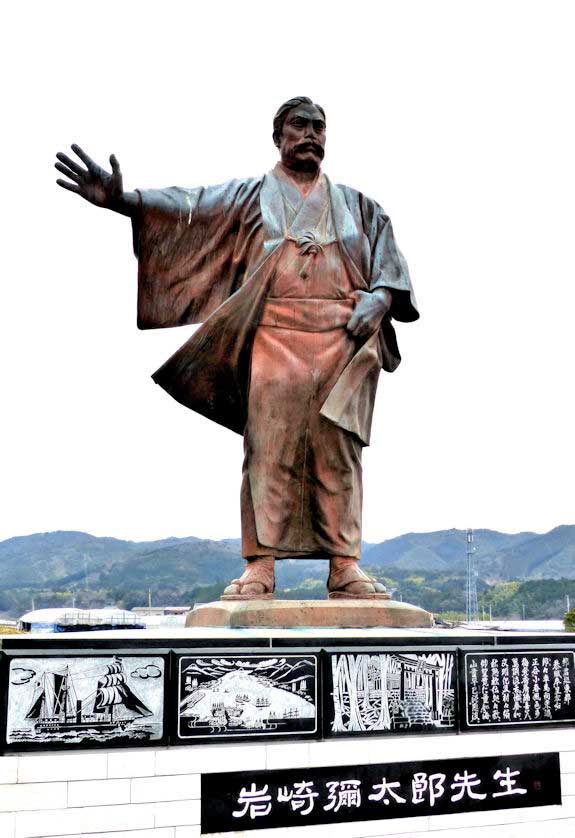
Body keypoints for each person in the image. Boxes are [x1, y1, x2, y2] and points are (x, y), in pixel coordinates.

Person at [55, 96, 418, 601]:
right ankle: (261, 564)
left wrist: (379, 301)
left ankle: (344, 565)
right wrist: (125, 201)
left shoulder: (359, 206)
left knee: (340, 452)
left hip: (344, 341)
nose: (310, 134)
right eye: (299, 125)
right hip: (274, 337)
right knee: (267, 449)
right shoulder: (250, 197)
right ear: (279, 136)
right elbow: (192, 204)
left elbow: (390, 269)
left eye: (319, 126)